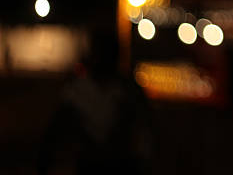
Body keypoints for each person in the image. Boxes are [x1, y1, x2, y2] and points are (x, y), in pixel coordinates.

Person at [37, 28, 154, 175]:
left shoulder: (127, 91)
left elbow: (144, 132)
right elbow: (56, 129)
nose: (101, 59)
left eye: (105, 54)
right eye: (99, 54)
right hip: (90, 164)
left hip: (120, 165)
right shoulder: (77, 92)